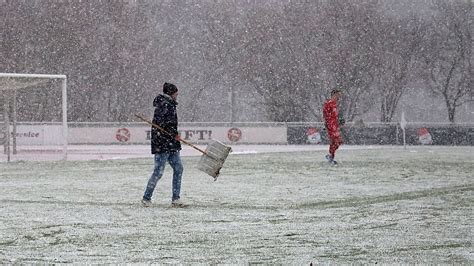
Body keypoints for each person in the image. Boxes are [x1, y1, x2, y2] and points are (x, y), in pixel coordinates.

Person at [141, 82, 185, 207]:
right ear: (170, 93)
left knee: (178, 168)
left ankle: (176, 199)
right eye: (176, 93)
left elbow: (170, 125)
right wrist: (172, 133)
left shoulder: (171, 105)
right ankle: (146, 198)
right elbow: (161, 125)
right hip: (162, 144)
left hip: (172, 144)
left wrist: (174, 135)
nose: (177, 95)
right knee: (158, 172)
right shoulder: (163, 105)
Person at [323, 89, 344, 165]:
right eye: (338, 95)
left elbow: (335, 115)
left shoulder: (335, 104)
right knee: (335, 141)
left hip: (335, 125)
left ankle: (330, 156)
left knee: (339, 142)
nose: (339, 97)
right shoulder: (328, 104)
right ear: (333, 95)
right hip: (331, 126)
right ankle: (331, 157)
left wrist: (340, 120)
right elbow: (326, 115)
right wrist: (328, 124)